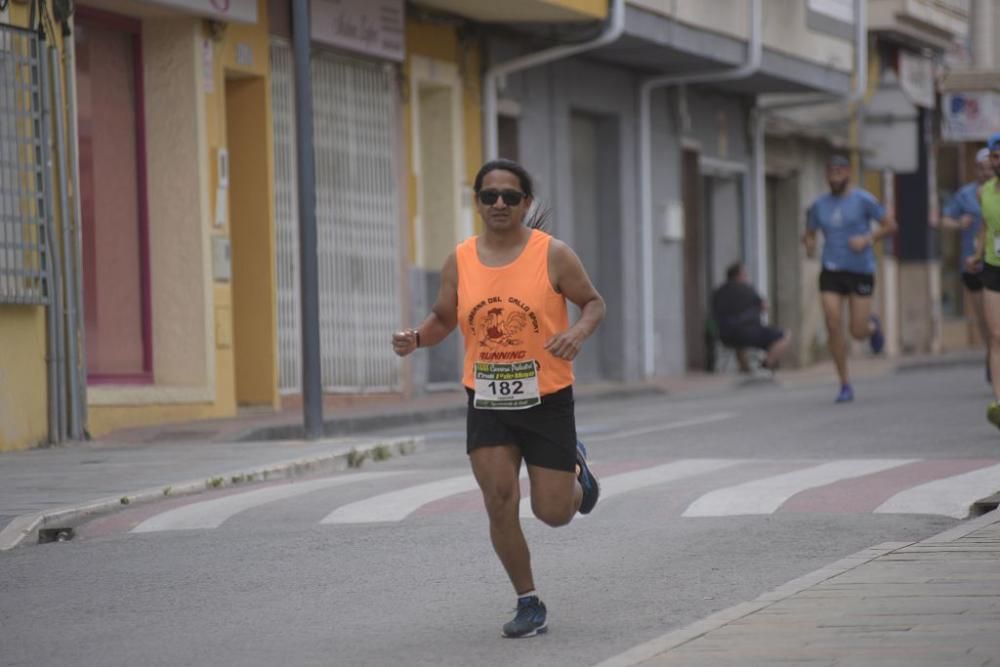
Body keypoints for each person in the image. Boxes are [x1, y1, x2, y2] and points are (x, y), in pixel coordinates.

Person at [391, 159, 605, 638]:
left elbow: (594, 302)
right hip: (487, 399)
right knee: (499, 500)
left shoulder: (553, 255)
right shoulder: (461, 259)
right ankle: (528, 601)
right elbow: (444, 317)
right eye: (490, 196)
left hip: (547, 399)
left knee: (553, 514)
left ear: (526, 202)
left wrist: (576, 334)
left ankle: (577, 471)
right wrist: (417, 338)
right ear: (479, 203)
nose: (500, 204)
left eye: (510, 196)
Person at [802, 155, 898, 403]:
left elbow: (890, 225)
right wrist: (809, 244)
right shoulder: (818, 206)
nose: (834, 177)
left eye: (839, 172)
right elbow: (810, 233)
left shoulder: (864, 200)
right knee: (833, 324)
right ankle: (844, 383)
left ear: (848, 174)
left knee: (856, 331)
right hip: (832, 269)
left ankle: (871, 327)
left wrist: (867, 239)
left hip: (860, 269)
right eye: (830, 173)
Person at [939, 148, 992, 380]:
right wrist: (959, 223)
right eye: (980, 168)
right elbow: (944, 220)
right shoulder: (965, 195)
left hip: (995, 261)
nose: (985, 172)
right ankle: (992, 353)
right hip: (973, 264)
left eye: (989, 167)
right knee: (985, 319)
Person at [969, 133, 1000, 428]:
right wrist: (977, 253)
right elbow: (985, 226)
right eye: (996, 156)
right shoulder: (985, 192)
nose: (998, 161)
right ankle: (998, 403)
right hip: (993, 266)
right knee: (995, 335)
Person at [711, 262, 790, 373]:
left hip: (725, 336)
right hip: (748, 333)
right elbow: (764, 305)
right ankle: (766, 364)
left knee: (738, 337)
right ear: (739, 275)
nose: (746, 277)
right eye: (744, 274)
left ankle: (744, 368)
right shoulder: (746, 289)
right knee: (784, 336)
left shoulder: (718, 293)